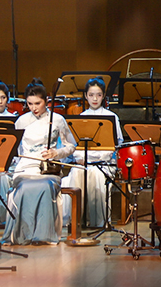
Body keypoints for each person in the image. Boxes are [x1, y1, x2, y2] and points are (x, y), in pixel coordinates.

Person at [7, 81, 76, 245]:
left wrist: (56, 153)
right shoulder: (21, 121)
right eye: (30, 104)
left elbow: (71, 146)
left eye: (38, 103)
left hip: (47, 168)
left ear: (46, 101)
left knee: (44, 187)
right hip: (25, 167)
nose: (34, 108)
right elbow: (16, 149)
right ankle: (23, 234)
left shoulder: (57, 119)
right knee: (23, 188)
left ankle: (43, 235)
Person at [70, 78, 120, 228]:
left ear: (103, 96)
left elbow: (115, 145)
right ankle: (77, 221)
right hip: (84, 161)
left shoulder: (112, 117)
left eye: (98, 95)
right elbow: (75, 146)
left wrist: (98, 158)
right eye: (91, 95)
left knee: (96, 174)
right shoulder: (81, 118)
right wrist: (81, 158)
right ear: (86, 96)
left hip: (104, 163)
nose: (95, 99)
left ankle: (98, 221)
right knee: (76, 173)